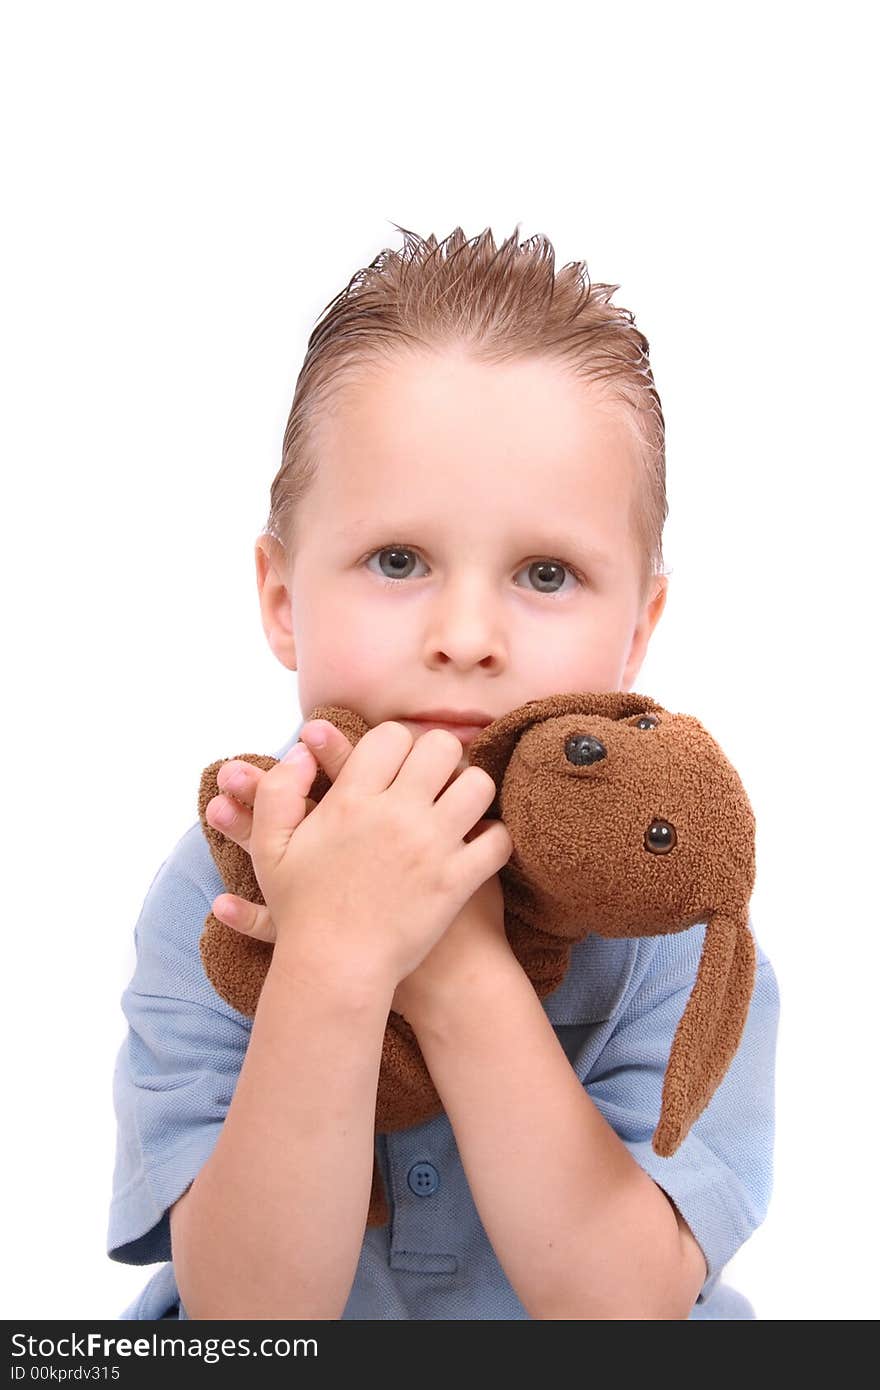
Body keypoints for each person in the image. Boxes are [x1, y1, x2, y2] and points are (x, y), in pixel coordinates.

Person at [107, 223, 780, 1320]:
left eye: (546, 572)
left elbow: (627, 1309)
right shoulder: (221, 879)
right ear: (282, 601)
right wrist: (333, 955)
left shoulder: (670, 906)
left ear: (638, 629)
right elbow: (243, 1324)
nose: (466, 634)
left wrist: (453, 964)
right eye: (398, 560)